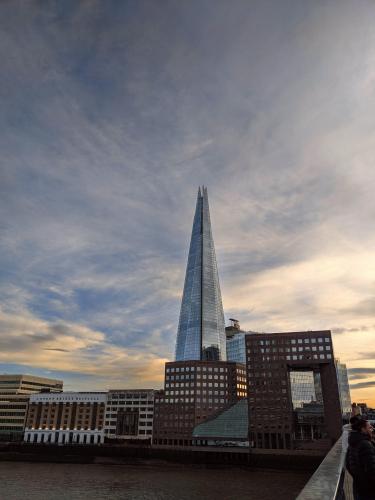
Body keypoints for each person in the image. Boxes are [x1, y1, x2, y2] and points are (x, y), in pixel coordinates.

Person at [346, 416, 375, 500]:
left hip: (360, 486)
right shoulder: (365, 444)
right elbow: (372, 469)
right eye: (369, 427)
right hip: (370, 489)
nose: (372, 429)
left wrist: (358, 478)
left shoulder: (353, 442)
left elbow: (348, 464)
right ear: (363, 429)